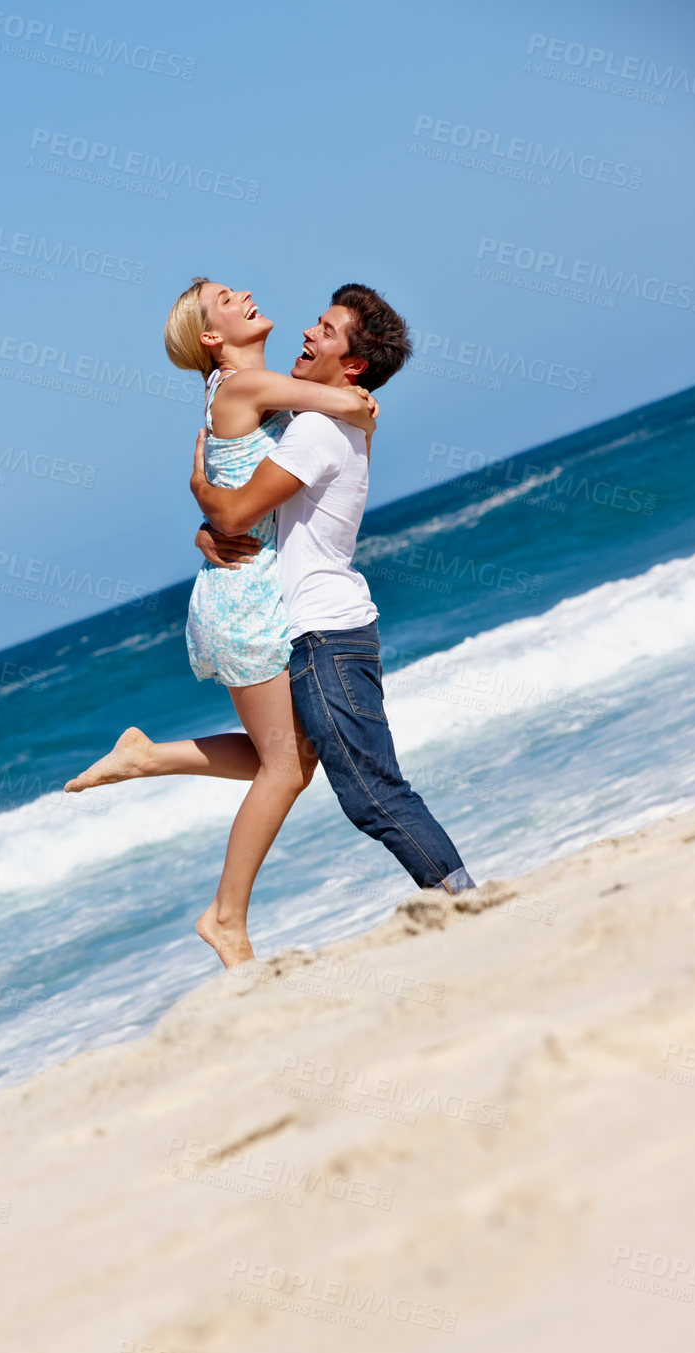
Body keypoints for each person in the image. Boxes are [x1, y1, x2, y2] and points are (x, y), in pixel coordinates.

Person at [65, 279, 379, 967]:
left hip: (237, 589)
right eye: (225, 298)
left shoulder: (232, 394)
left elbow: (234, 487)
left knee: (293, 758)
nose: (244, 294)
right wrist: (354, 396)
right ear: (212, 337)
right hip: (244, 599)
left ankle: (148, 757)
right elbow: (345, 401)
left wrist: (207, 521)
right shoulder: (244, 385)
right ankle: (225, 917)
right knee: (286, 770)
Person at [189, 284, 476, 911]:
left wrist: (205, 501)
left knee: (370, 789)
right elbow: (257, 507)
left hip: (324, 635)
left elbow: (237, 509)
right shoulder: (315, 419)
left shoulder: (316, 430)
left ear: (352, 366)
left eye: (325, 330)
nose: (307, 333)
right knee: (297, 761)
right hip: (328, 631)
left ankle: (460, 898)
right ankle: (148, 758)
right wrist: (207, 534)